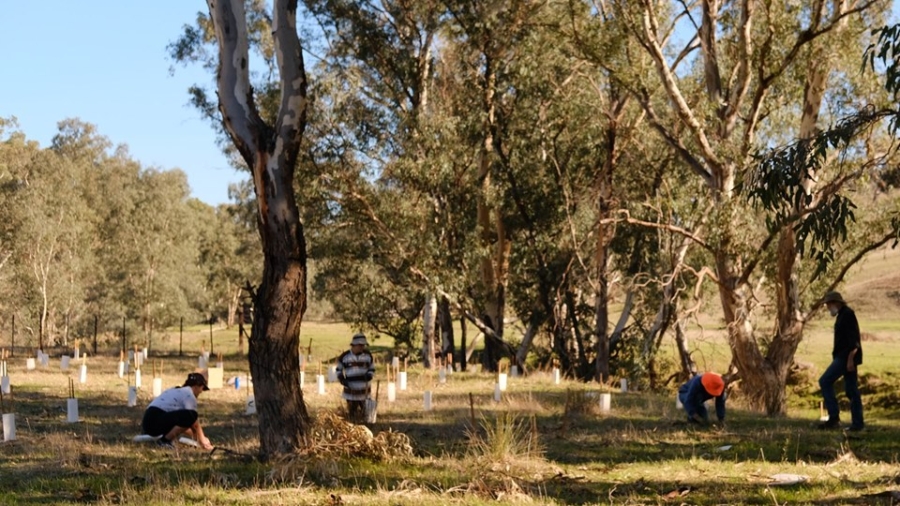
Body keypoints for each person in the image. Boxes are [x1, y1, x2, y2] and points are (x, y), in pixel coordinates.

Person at [818, 291, 864, 431]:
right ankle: (857, 424)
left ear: (836, 303)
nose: (827, 307)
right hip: (844, 357)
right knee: (851, 390)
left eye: (828, 304)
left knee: (825, 381)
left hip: (845, 357)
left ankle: (834, 418)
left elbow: (854, 341)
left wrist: (850, 360)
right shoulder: (842, 315)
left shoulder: (847, 315)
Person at [141, 372, 214, 449]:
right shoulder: (189, 395)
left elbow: (183, 424)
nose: (201, 392)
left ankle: (165, 440)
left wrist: (196, 436)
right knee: (191, 415)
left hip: (148, 421)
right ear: (197, 386)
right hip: (156, 419)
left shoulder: (175, 390)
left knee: (187, 417)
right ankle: (165, 441)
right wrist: (203, 440)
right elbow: (193, 421)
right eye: (202, 388)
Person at [336, 333, 375, 423]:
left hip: (364, 390)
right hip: (350, 390)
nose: (362, 347)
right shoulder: (344, 356)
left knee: (365, 413)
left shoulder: (368, 356)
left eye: (363, 345)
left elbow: (372, 368)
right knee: (352, 412)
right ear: (354, 345)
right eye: (360, 345)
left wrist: (369, 375)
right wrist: (342, 379)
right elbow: (339, 370)